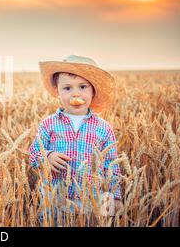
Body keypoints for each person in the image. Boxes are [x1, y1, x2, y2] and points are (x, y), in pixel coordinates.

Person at [29, 55, 122, 224]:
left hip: (92, 201)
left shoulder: (104, 128)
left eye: (82, 86)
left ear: (93, 91)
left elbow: (112, 165)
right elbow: (34, 153)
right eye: (67, 88)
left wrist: (114, 197)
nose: (75, 93)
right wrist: (47, 156)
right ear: (57, 91)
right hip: (54, 200)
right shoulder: (48, 124)